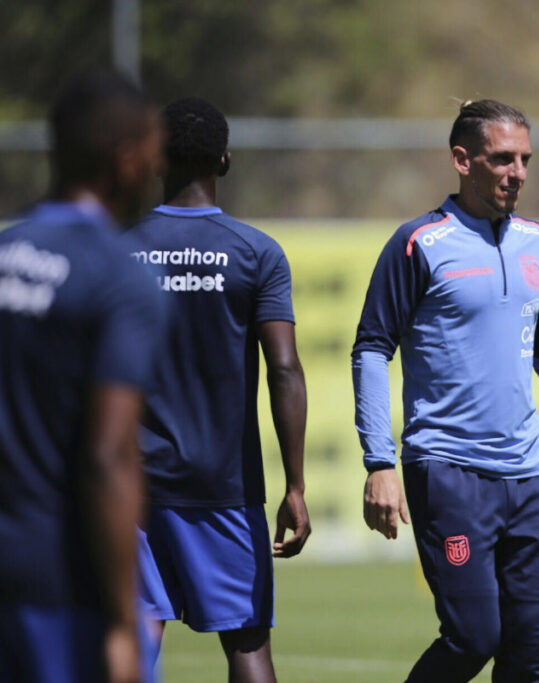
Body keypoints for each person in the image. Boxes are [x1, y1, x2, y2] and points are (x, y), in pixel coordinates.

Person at [352, 99, 539, 682]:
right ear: (462, 160)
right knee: (473, 636)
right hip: (449, 474)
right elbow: (371, 348)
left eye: (526, 160)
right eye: (503, 159)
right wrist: (379, 461)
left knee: (527, 657)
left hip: (530, 479)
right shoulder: (418, 244)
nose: (518, 173)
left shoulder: (535, 241)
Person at [131, 97, 310, 682]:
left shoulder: (120, 249)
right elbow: (284, 369)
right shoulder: (257, 253)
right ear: (225, 161)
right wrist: (296, 485)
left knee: (131, 643)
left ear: (156, 159)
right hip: (224, 487)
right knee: (247, 644)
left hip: (130, 483)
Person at [0, 70, 164, 682]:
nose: (155, 169)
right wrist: (124, 620)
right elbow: (107, 456)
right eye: (152, 153)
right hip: (61, 583)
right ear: (124, 160)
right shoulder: (118, 279)